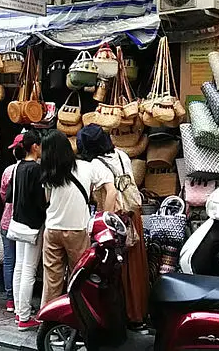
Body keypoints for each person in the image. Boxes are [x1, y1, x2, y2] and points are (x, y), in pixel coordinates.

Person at [77, 124, 149, 329]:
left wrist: (105, 222)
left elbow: (112, 193)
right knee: (136, 267)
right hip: (133, 216)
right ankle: (139, 313)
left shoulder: (96, 165)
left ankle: (126, 316)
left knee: (118, 270)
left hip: (117, 220)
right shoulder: (121, 155)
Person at [39, 130, 117, 307]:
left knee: (52, 279)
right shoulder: (87, 167)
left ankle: (49, 318)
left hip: (52, 229)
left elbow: (47, 200)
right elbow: (111, 190)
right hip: (77, 230)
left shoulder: (49, 172)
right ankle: (76, 316)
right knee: (78, 277)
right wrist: (105, 218)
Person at [6, 130, 47, 331]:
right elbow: (40, 202)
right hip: (32, 225)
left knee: (19, 267)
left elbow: (8, 197)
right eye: (39, 145)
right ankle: (24, 316)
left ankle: (18, 311)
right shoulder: (36, 170)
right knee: (29, 269)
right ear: (34, 147)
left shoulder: (18, 168)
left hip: (18, 222)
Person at [0, 134, 23, 314]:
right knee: (24, 263)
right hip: (25, 222)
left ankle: (10, 300)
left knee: (10, 261)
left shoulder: (8, 171)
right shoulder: (35, 170)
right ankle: (22, 300)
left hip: (7, 220)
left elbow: (2, 194)